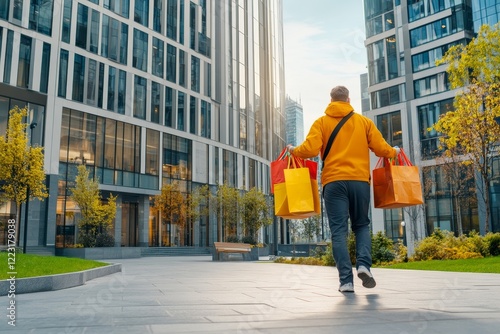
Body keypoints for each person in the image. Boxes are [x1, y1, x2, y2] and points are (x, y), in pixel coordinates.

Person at [287, 86, 399, 293]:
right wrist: (395, 151)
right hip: (359, 182)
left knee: (338, 231)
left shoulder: (321, 122)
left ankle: (346, 281)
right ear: (348, 99)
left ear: (331, 100)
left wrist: (294, 149)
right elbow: (382, 148)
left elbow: (310, 149)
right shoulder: (364, 122)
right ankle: (364, 265)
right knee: (362, 225)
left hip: (334, 183)